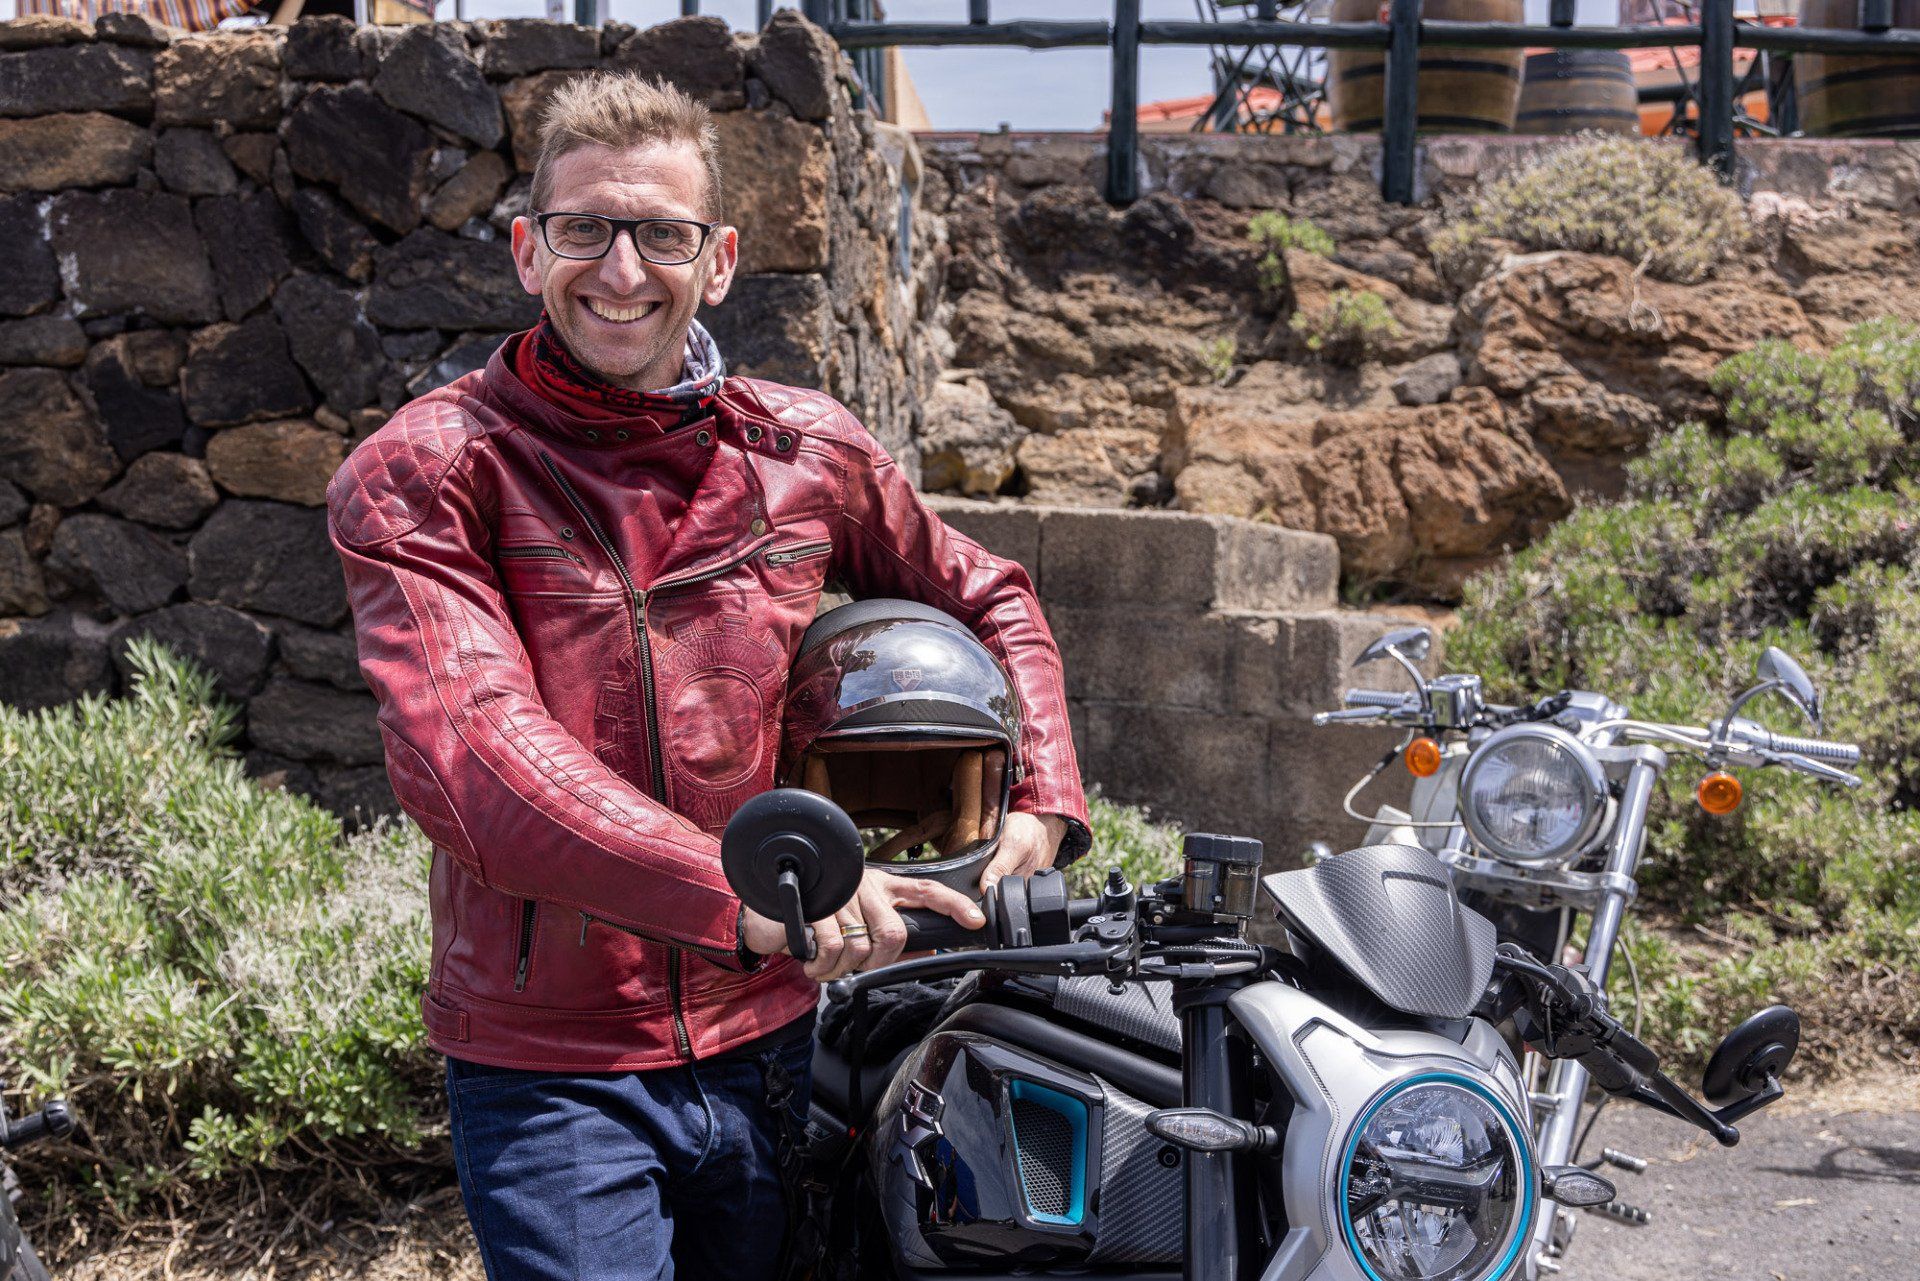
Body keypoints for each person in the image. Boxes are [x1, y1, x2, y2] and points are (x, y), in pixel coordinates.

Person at [325, 72, 1091, 1281]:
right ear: (528, 251)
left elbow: (988, 593)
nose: (623, 269)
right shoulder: (426, 471)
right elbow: (478, 761)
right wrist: (749, 899)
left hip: (774, 1034)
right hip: (552, 1067)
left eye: (663, 235)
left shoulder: (805, 450)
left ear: (720, 261)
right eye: (585, 229)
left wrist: (1041, 797)